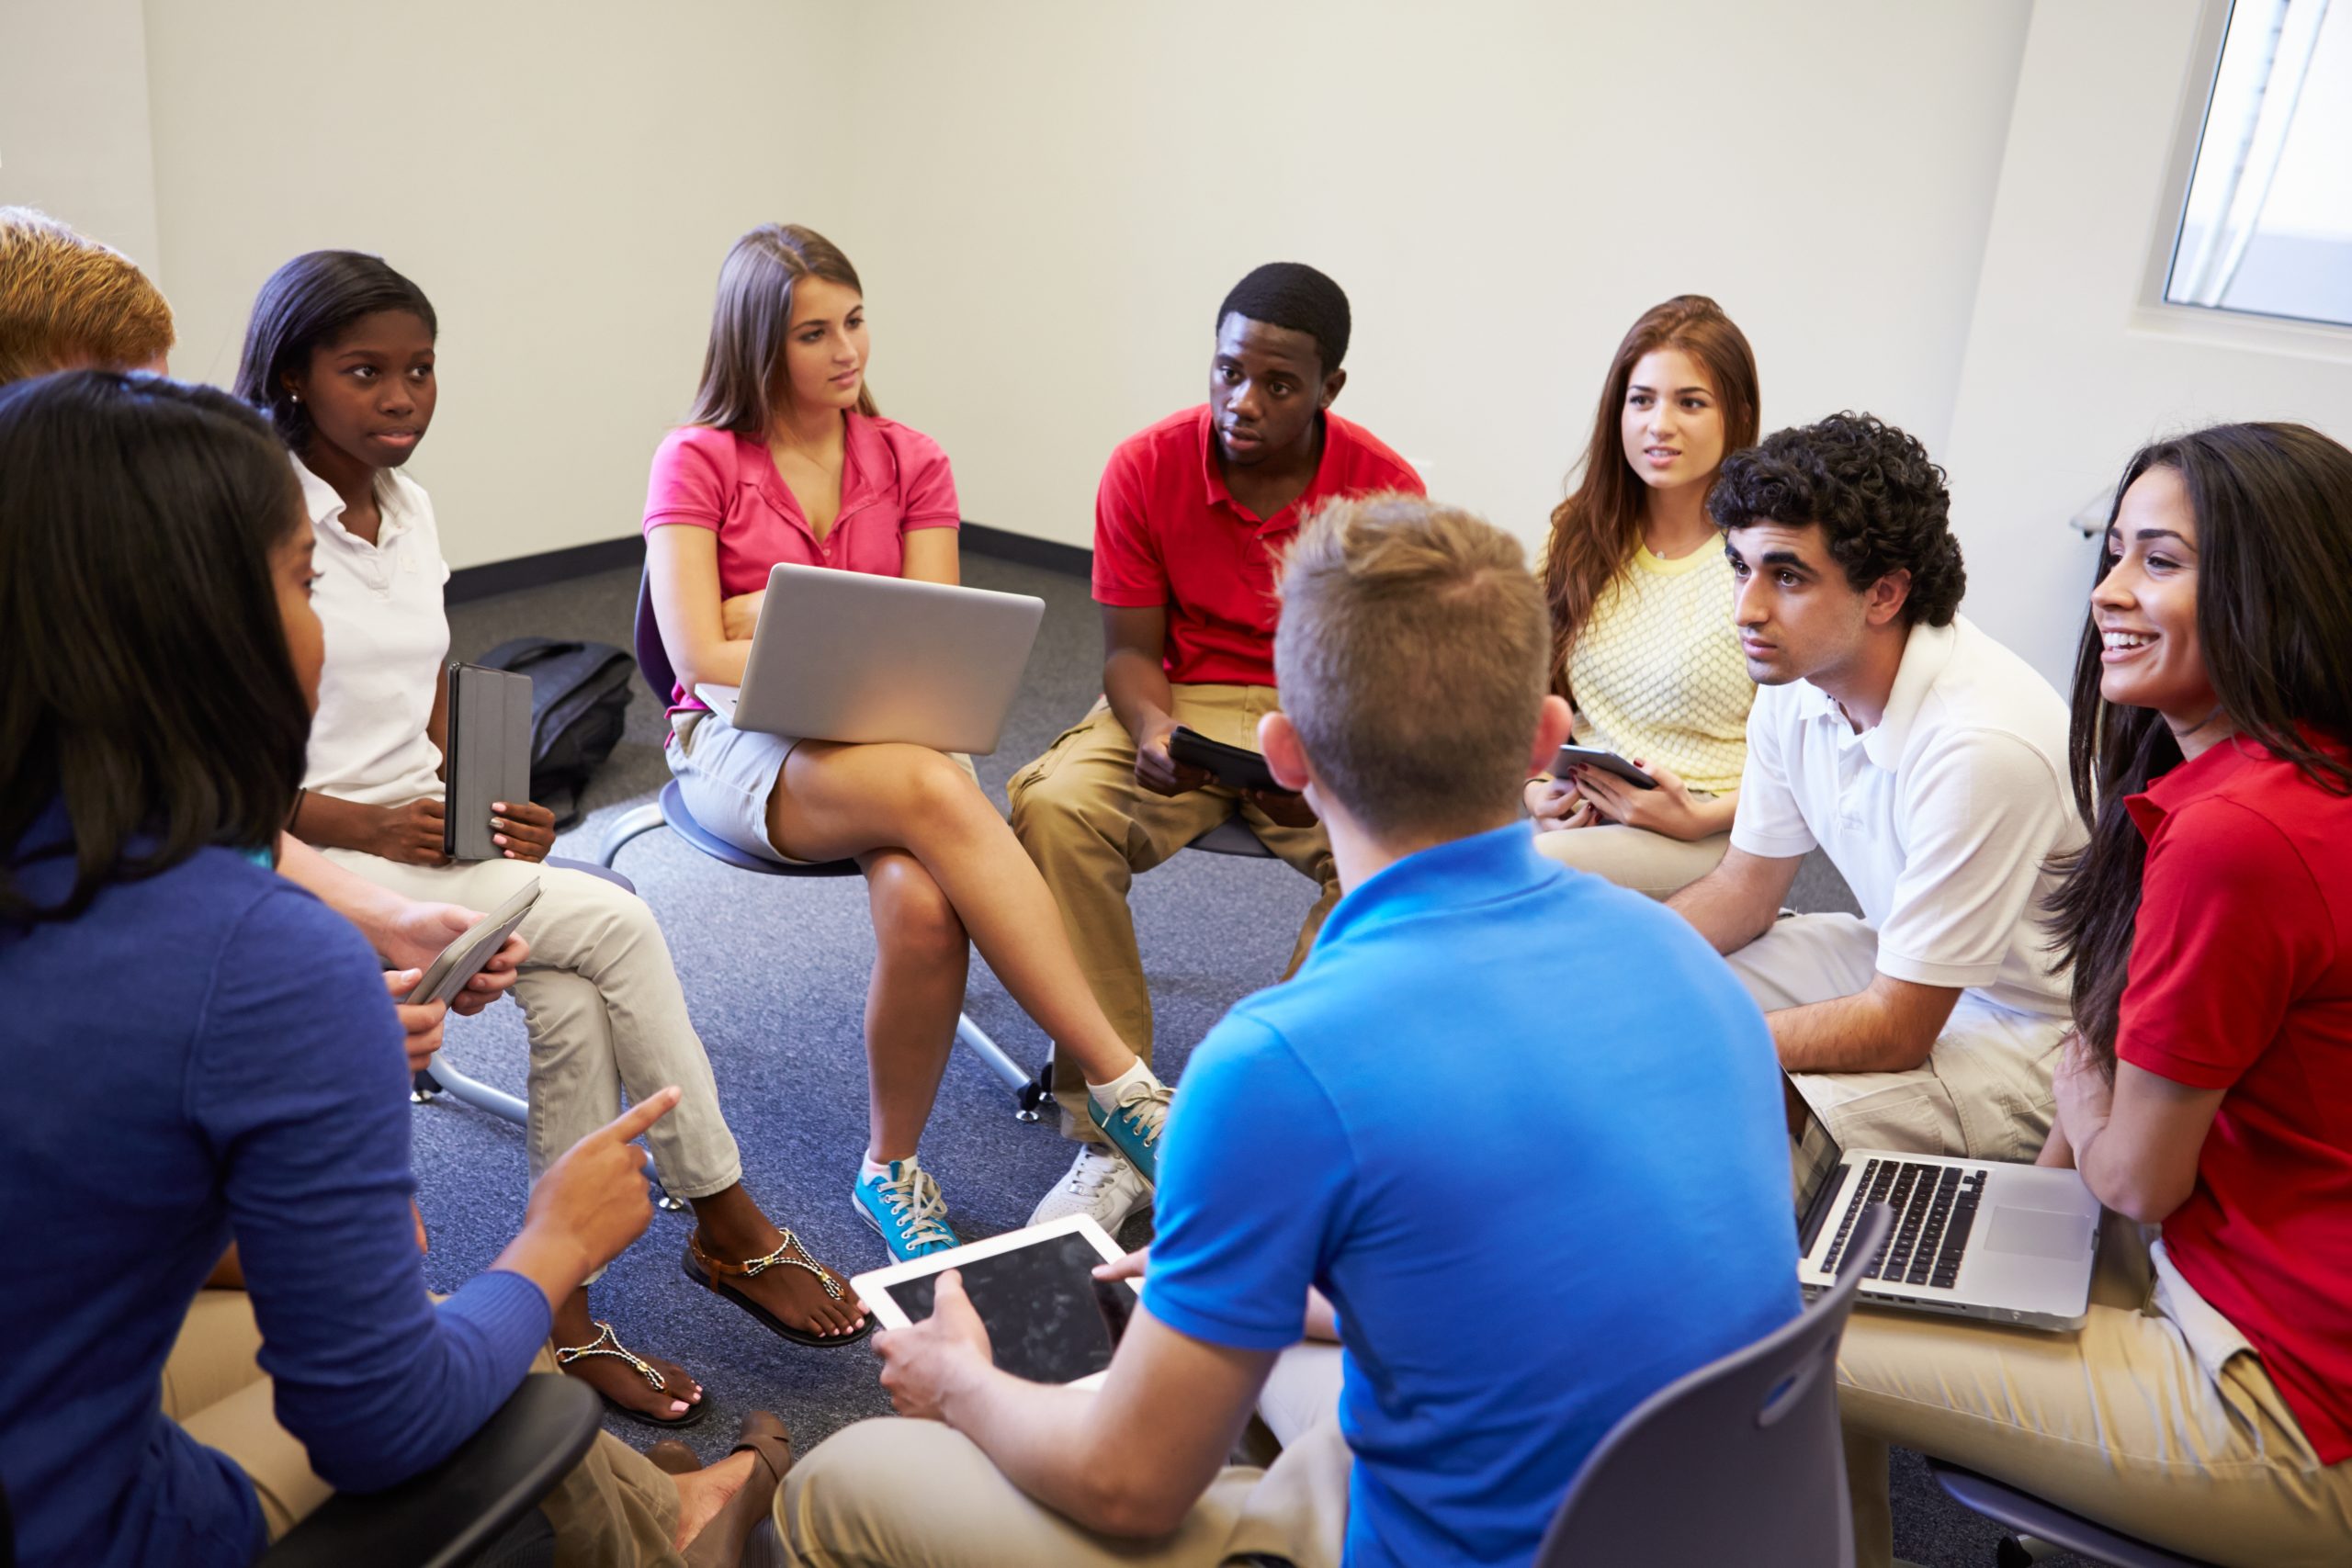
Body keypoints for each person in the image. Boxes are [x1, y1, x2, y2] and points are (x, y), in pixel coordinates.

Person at [769, 493, 1798, 1567]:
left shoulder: (1274, 1068)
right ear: (1546, 738)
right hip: (1702, 1521)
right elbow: (1568, 1273)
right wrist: (1288, 1296)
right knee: (1255, 1349)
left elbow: (1127, 1487)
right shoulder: (1684, 958)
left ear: (1286, 757)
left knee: (844, 1482)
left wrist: (960, 1383)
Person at [0, 370, 789, 1568]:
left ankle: (657, 1509)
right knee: (485, 1325)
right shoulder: (259, 952)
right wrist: (554, 1242)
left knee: (431, 1311)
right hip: (92, 1524)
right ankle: (671, 1540)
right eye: (304, 583)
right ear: (210, 627)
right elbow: (376, 1415)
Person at [235, 251, 869, 1434]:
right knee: (620, 919)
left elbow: (428, 687)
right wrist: (359, 821)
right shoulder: (256, 520)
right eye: (363, 371)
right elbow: (225, 776)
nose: (400, 397)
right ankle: (724, 1216)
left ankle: (561, 1313)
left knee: (574, 1002)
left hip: (426, 825)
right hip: (319, 857)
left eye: (418, 370)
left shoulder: (409, 505)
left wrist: (495, 797)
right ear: (290, 377)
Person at [1838, 423, 2352, 1568]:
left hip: (2285, 1402)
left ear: (2281, 589)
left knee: (1775, 1337)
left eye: (2158, 562)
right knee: (1881, 1242)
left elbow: (2135, 1172)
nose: (2108, 593)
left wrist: (2080, 1081)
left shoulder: (2238, 834)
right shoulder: (2285, 777)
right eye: (2112, 555)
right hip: (2255, 1283)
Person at [642, 223, 1170, 1261]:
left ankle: (889, 1169)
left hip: (891, 731)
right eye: (811, 334)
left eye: (855, 321)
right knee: (934, 791)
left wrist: (771, 616)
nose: (846, 351)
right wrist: (761, 632)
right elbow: (697, 652)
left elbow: (937, 643)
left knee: (927, 911)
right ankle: (1125, 1088)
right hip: (738, 741)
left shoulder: (911, 458)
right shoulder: (697, 458)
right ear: (757, 346)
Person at [0, 204, 526, 1076]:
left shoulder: (108, 599)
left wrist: (378, 922)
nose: (155, 468)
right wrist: (283, 1030)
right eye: (118, 426)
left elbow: (201, 816)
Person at [1008, 262, 1425, 1230]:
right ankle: (1117, 1123)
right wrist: (1153, 729)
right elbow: (1127, 654)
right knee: (1052, 805)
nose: (1244, 402)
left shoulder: (1383, 490)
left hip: (1318, 712)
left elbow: (1380, 672)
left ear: (1330, 390)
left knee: (1401, 860)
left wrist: (1316, 758)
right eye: (1229, 372)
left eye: (1278, 385)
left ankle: (1261, 1112)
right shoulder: (1145, 467)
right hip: (1178, 701)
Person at [1667, 412, 2078, 1160]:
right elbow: (1744, 890)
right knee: (1652, 997)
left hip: (2025, 1035)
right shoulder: (1797, 673)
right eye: (1740, 566)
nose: (1746, 609)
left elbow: (1897, 1026)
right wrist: (1611, 963)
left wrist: (1701, 1053)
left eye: (1785, 575)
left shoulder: (1983, 743)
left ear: (1885, 594)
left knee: (1735, 1095)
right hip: (1900, 960)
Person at [1524, 295, 1760, 897]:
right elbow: (1528, 698)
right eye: (1642, 400)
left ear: (1737, 413)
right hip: (1582, 811)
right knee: (1433, 865)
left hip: (1703, 827)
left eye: (1690, 402)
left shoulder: (1764, 559)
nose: (1660, 424)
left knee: (1517, 881)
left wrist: (1700, 817)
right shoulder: (1579, 536)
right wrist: (1536, 792)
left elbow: (1815, 758)